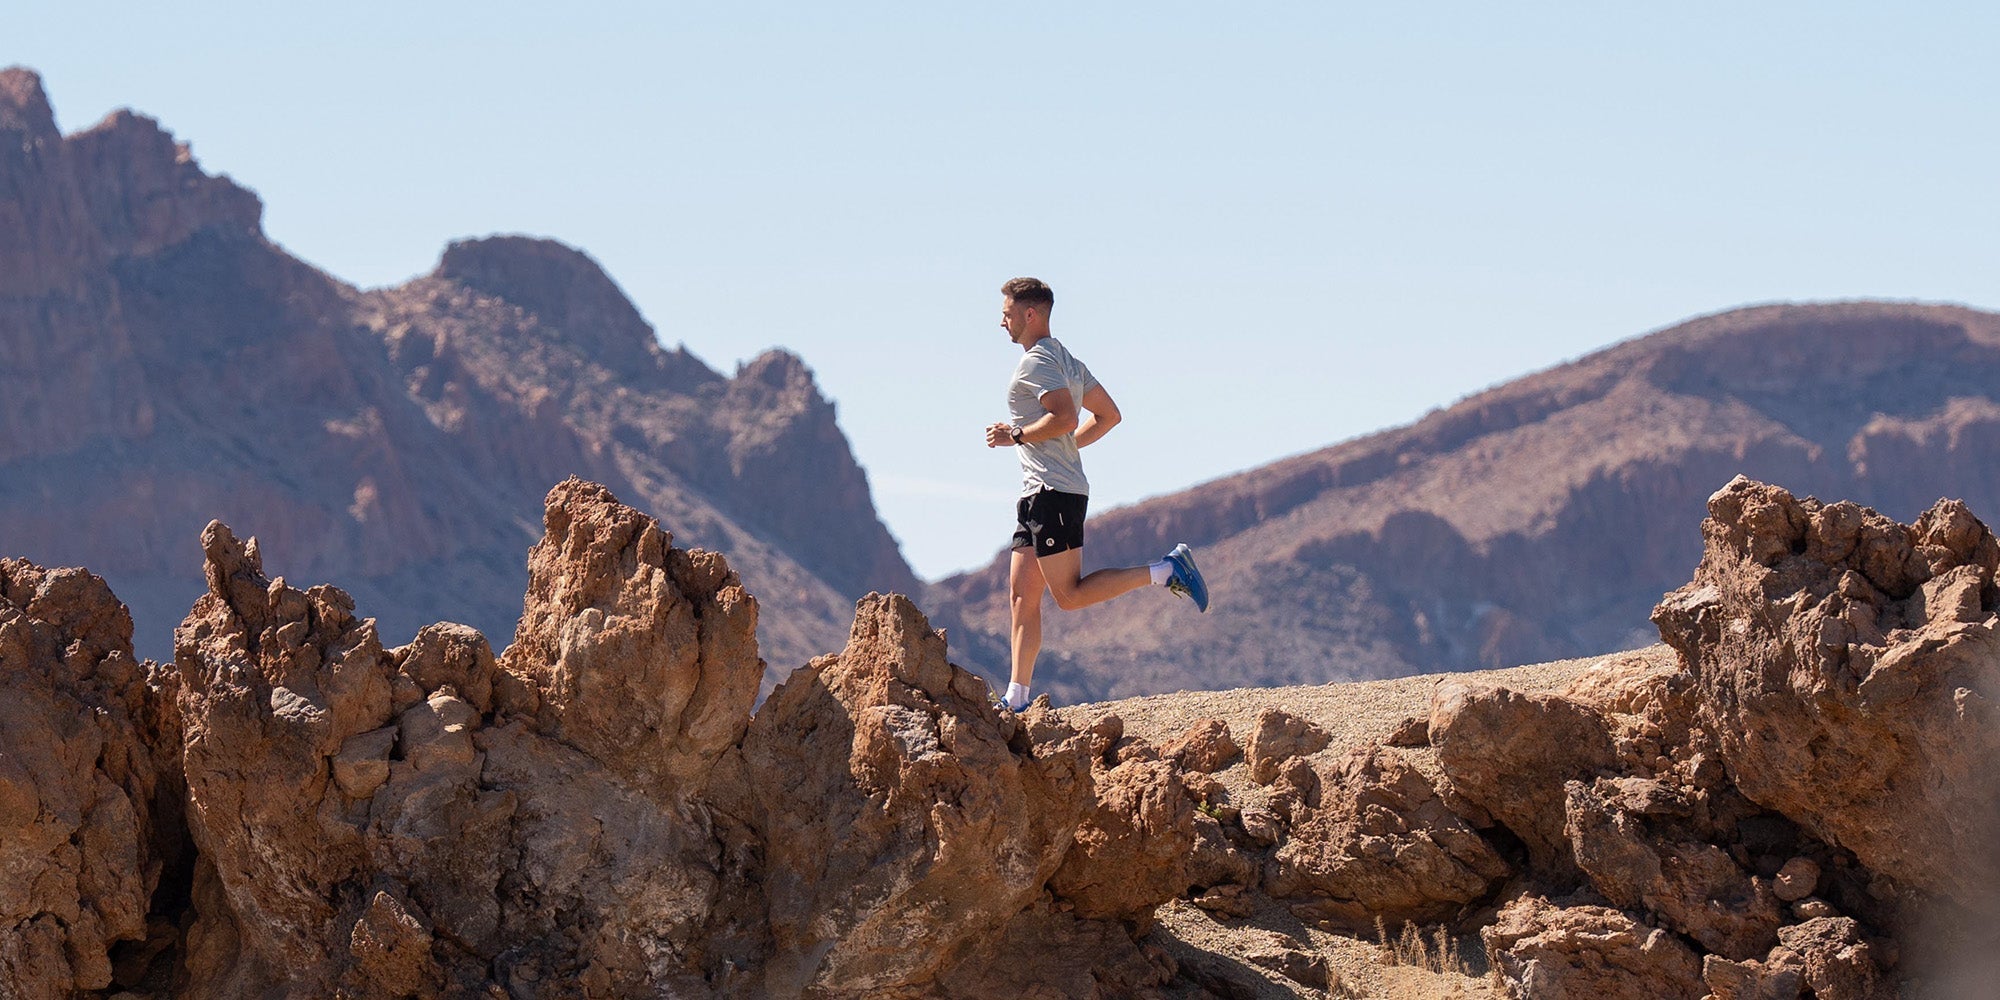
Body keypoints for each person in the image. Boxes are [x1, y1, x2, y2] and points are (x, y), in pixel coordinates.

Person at [983, 277, 1207, 712]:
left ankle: (1166, 570)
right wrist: (1060, 449)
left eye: (1007, 313)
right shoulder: (1067, 360)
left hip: (1055, 494)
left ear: (1031, 315)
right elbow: (1108, 415)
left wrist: (1016, 435)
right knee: (1020, 595)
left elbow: (1066, 417)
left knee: (1068, 595)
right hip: (1040, 490)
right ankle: (1017, 698)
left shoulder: (1039, 362)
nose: (1001, 322)